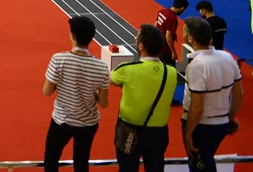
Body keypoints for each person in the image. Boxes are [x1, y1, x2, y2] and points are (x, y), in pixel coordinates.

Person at [42, 16, 110, 172]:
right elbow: (104, 103)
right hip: (88, 123)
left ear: (72, 36)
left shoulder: (58, 59)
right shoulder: (101, 67)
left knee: (51, 159)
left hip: (62, 121)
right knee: (81, 161)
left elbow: (47, 91)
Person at [111, 25, 179, 172]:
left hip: (129, 130)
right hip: (159, 133)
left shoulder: (126, 69)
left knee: (127, 168)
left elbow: (109, 79)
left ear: (141, 46)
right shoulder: (171, 72)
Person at [181, 16, 243, 172]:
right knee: (207, 160)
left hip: (201, 126)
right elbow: (239, 94)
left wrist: (188, 133)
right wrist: (229, 118)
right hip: (221, 124)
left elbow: (197, 107)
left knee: (200, 165)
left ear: (190, 38)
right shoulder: (228, 58)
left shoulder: (196, 66)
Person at [156, 0, 189, 66]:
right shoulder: (172, 18)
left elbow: (155, 25)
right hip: (165, 49)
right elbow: (168, 36)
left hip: (158, 44)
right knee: (170, 68)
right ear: (182, 8)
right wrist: (173, 51)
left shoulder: (162, 11)